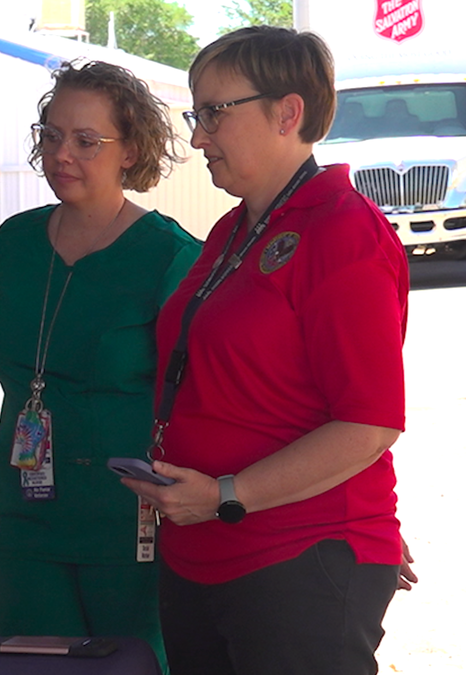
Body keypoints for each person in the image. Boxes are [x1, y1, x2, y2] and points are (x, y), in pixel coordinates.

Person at [119, 27, 408, 675]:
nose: (197, 137)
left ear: (288, 112)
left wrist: (228, 492)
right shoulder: (235, 228)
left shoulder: (341, 229)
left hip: (294, 557)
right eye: (196, 115)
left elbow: (370, 422)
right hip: (203, 550)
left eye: (214, 112)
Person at [0, 60, 201, 668]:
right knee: (26, 659)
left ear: (130, 151)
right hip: (23, 512)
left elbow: (206, 394)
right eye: (52, 134)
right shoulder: (16, 240)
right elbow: (15, 360)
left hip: (126, 519)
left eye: (87, 141)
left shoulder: (171, 256)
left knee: (132, 662)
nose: (63, 153)